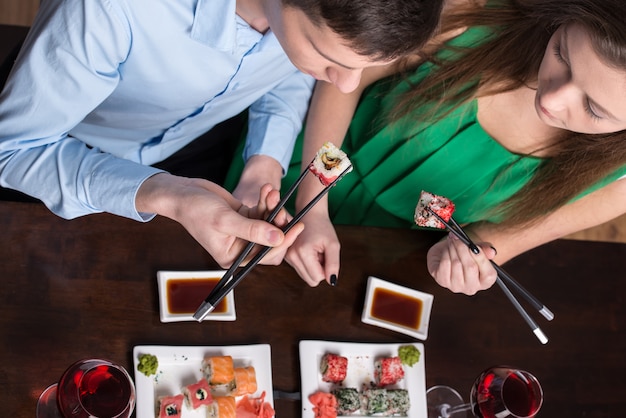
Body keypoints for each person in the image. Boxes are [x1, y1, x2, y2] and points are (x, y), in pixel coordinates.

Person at [0, 0, 444, 267]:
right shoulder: (112, 10)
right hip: (52, 153)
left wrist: (265, 162)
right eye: (329, 59)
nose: (345, 86)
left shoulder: (312, 27)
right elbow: (12, 151)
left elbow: (288, 71)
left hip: (194, 150)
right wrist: (166, 194)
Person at [246, 0, 626, 292]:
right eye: (562, 53)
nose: (553, 100)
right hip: (303, 171)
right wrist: (312, 207)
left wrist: (465, 262)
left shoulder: (616, 181)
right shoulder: (478, 13)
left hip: (390, 261)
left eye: (593, 108)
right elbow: (347, 79)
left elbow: (492, 243)